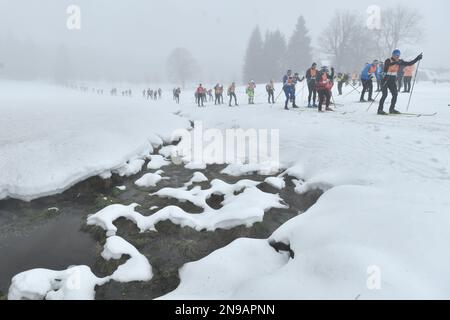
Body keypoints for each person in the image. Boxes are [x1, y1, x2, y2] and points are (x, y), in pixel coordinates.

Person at [378, 49, 423, 115]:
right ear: (393, 55)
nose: (397, 57)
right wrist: (395, 63)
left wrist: (417, 58)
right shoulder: (388, 60)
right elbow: (387, 66)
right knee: (384, 95)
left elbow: (409, 63)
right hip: (385, 79)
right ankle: (380, 110)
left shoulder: (400, 61)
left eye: (398, 55)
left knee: (395, 94)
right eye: (396, 55)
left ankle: (392, 109)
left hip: (392, 80)